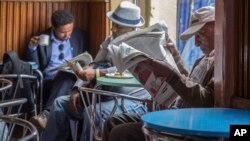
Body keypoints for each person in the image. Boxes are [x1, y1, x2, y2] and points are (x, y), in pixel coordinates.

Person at [103, 6, 215, 141]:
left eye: (200, 34)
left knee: (119, 132)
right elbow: (190, 80)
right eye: (195, 37)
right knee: (112, 121)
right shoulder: (202, 59)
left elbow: (205, 99)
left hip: (184, 121)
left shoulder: (221, 63)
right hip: (173, 112)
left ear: (218, 28)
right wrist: (175, 57)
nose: (196, 43)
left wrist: (170, 75)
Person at [43, 1, 150, 141]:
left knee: (92, 113)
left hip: (131, 100)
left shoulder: (141, 44)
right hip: (103, 94)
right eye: (113, 24)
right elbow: (93, 65)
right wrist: (77, 88)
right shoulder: (110, 40)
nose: (113, 29)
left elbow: (126, 69)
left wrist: (98, 73)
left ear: (132, 28)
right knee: (59, 105)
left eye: (118, 26)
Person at [26, 10, 88, 131]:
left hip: (73, 77)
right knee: (65, 78)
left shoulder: (80, 36)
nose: (67, 35)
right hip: (49, 80)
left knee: (67, 76)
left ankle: (46, 116)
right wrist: (32, 48)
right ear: (53, 27)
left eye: (70, 30)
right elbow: (35, 65)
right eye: (62, 32)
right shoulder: (42, 37)